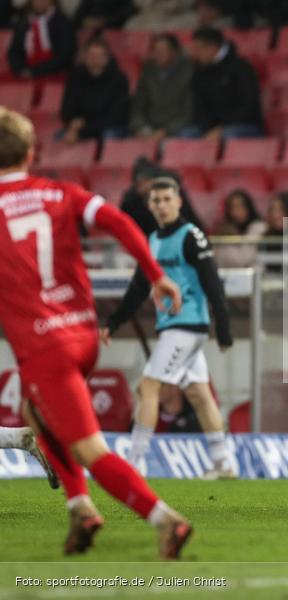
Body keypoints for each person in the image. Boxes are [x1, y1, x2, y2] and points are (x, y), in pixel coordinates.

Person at [0, 107, 191, 558]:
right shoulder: (60, 192)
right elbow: (119, 222)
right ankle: (79, 507)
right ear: (31, 152)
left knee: (90, 450)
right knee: (36, 412)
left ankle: (165, 520)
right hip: (83, 335)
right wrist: (156, 275)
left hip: (44, 346)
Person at [102, 177, 236, 480]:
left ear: (178, 201)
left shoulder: (192, 236)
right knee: (199, 394)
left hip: (186, 325)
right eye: (156, 200)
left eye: (166, 199)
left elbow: (213, 283)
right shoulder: (152, 240)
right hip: (173, 326)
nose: (161, 205)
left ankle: (135, 462)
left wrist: (224, 327)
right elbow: (139, 286)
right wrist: (114, 321)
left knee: (147, 387)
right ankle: (224, 463)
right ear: (150, 205)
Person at [189, 25, 264, 141]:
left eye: (198, 49)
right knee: (184, 137)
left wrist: (222, 128)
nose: (195, 54)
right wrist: (209, 128)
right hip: (212, 128)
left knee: (228, 136)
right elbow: (199, 106)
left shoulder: (240, 67)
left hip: (245, 125)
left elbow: (249, 103)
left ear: (212, 47)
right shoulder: (199, 70)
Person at [59, 36, 130, 143]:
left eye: (99, 56)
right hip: (80, 128)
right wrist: (73, 123)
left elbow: (115, 117)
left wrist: (82, 130)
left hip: (109, 127)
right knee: (58, 139)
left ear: (107, 58)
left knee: (108, 137)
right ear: (84, 57)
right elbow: (66, 109)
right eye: (91, 55)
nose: (95, 60)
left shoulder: (119, 79)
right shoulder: (75, 77)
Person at [130, 33, 195, 141]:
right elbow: (138, 107)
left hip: (177, 127)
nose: (158, 54)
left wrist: (165, 131)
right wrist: (141, 127)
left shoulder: (189, 73)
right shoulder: (148, 72)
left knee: (185, 136)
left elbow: (188, 113)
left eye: (163, 50)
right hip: (151, 126)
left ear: (174, 52)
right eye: (155, 50)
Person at [119, 157, 207, 237]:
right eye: (138, 184)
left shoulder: (171, 192)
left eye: (145, 182)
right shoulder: (131, 201)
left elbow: (191, 222)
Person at [6, 0, 76, 80]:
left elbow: (65, 55)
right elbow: (13, 51)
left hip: (55, 74)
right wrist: (20, 69)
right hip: (25, 73)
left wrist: (35, 71)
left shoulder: (63, 22)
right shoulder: (24, 21)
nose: (40, 2)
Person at [214, 188, 266, 268]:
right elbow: (217, 260)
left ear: (248, 208)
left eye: (239, 207)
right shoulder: (224, 230)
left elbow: (244, 259)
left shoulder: (258, 228)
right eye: (232, 208)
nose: (235, 212)